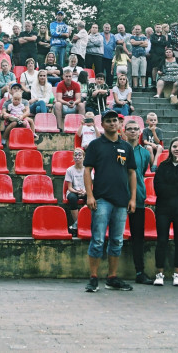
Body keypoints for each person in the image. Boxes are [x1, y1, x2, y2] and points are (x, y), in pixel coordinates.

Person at [82, 110, 137, 293]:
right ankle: (93, 277)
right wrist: (90, 196)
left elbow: (132, 173)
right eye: (108, 121)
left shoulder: (127, 147)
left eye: (115, 120)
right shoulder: (95, 145)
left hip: (122, 201)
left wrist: (133, 198)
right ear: (102, 124)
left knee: (117, 240)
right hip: (102, 199)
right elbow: (87, 170)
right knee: (97, 240)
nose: (113, 123)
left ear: (119, 124)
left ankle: (112, 277)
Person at [152, 137, 178, 287]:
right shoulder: (163, 166)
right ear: (170, 149)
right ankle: (160, 274)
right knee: (162, 240)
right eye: (174, 146)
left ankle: (177, 274)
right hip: (163, 209)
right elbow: (158, 188)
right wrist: (176, 189)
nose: (177, 149)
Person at [122, 120, 155, 285]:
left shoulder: (145, 153)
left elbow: (140, 174)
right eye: (130, 129)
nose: (133, 132)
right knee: (115, 235)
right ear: (125, 131)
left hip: (139, 197)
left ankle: (140, 272)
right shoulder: (120, 149)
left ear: (140, 132)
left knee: (138, 237)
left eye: (136, 129)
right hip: (120, 197)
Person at [63, 148, 87, 231]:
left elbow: (90, 185)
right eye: (75, 155)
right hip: (73, 191)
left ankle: (84, 221)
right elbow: (69, 187)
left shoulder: (87, 169)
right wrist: (77, 192)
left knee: (92, 197)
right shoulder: (69, 170)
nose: (77, 157)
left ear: (84, 157)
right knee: (72, 198)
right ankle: (77, 222)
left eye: (80, 155)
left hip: (85, 191)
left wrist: (86, 192)